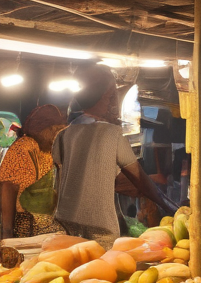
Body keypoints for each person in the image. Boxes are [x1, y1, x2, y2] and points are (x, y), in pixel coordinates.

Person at [53, 65, 174, 247]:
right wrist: (169, 205)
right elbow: (139, 178)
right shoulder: (112, 133)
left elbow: (68, 175)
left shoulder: (64, 134)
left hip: (66, 221)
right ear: (106, 96)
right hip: (100, 228)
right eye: (112, 95)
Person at [0, 104, 66, 238]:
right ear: (48, 130)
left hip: (49, 227)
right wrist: (7, 231)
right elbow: (8, 187)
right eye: (57, 131)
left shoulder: (49, 150)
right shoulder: (24, 147)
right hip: (27, 227)